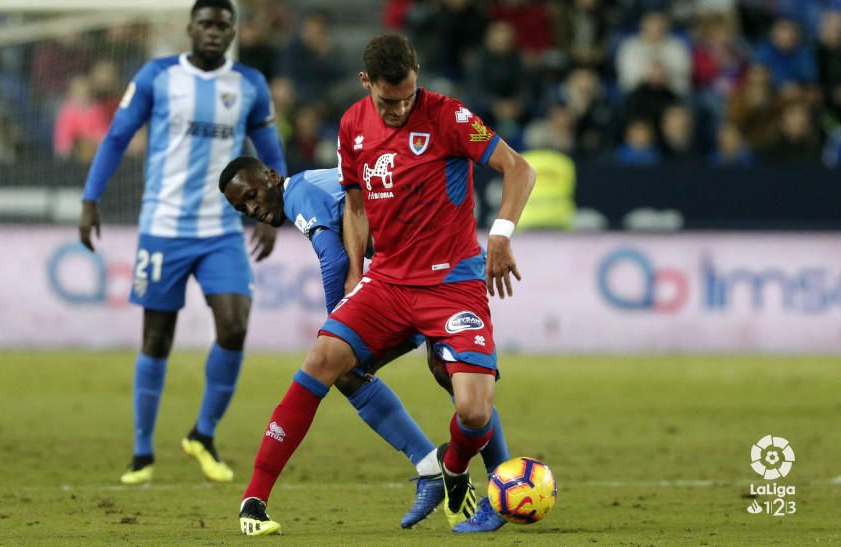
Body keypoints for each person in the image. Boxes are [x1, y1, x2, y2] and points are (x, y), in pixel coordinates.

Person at [235, 34, 535, 536]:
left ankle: (454, 469)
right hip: (389, 283)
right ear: (365, 82)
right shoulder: (352, 125)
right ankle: (254, 500)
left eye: (407, 97)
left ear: (416, 75)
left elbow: (518, 169)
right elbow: (354, 205)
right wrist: (356, 270)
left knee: (473, 406)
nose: (398, 110)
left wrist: (501, 235)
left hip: (453, 284)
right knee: (324, 360)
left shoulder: (450, 117)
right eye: (387, 101)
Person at [218, 156, 513, 528]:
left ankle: (467, 475)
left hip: (446, 275)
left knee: (347, 365)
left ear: (272, 177)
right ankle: (456, 472)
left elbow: (333, 258)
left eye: (251, 196)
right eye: (241, 207)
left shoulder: (301, 193)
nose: (252, 209)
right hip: (412, 275)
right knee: (424, 372)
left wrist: (338, 321)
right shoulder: (316, 184)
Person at [78, 0, 286, 485]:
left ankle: (203, 435)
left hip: (221, 231)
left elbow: (270, 151)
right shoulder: (157, 76)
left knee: (234, 327)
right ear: (190, 28)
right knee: (157, 338)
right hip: (163, 228)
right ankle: (142, 453)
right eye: (206, 24)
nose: (214, 32)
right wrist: (91, 198)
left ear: (233, 31)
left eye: (223, 25)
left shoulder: (249, 84)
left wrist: (276, 210)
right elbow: (116, 137)